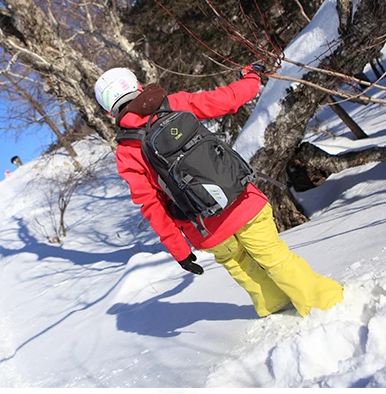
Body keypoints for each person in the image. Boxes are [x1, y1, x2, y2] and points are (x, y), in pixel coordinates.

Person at [95, 66, 344, 318]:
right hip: (242, 200)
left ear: (110, 110)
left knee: (240, 265)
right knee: (274, 257)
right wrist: (252, 76)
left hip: (203, 225)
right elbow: (228, 99)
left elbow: (151, 205)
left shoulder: (126, 151)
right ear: (137, 86)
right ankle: (325, 303)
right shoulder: (176, 103)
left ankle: (273, 305)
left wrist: (179, 250)